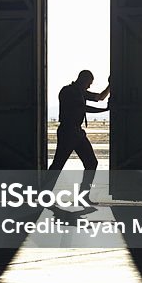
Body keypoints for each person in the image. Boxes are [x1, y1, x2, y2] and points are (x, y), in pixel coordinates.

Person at [47, 70, 110, 205]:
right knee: (58, 164)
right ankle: (45, 195)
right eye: (89, 83)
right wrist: (106, 110)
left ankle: (83, 197)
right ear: (83, 80)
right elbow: (84, 108)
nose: (89, 87)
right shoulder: (68, 92)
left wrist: (110, 86)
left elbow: (99, 97)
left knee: (91, 163)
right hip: (68, 132)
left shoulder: (79, 92)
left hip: (76, 132)